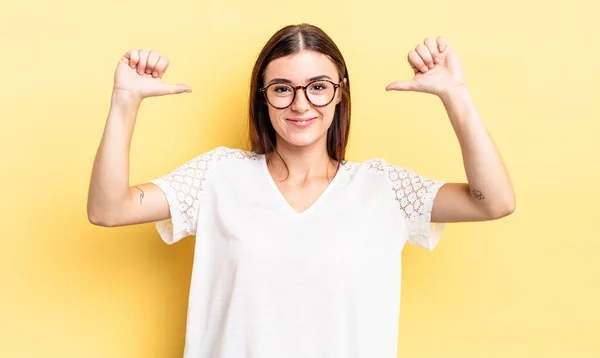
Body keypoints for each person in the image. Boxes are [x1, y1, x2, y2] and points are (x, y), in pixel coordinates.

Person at [87, 23, 515, 358]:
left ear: (339, 94)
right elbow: (108, 209)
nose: (300, 104)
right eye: (282, 89)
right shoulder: (216, 176)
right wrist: (125, 101)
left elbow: (494, 201)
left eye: (317, 86)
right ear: (263, 97)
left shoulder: (384, 188)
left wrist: (455, 95)